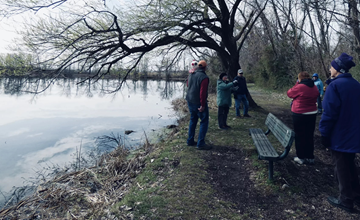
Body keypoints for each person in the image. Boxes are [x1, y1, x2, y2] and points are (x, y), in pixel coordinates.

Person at [319, 53, 360, 213]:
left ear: (337, 69)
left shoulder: (335, 86)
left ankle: (346, 201)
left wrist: (324, 134)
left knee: (341, 167)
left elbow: (329, 113)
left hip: (340, 135)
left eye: (332, 66)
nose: (330, 69)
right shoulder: (356, 85)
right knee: (350, 165)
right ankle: (356, 195)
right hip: (354, 135)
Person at [287, 71, 319, 165]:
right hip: (312, 113)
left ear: (300, 78)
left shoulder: (300, 87)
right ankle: (310, 156)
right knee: (309, 135)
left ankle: (301, 157)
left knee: (300, 135)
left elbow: (289, 93)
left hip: (300, 113)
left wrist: (297, 83)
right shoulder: (314, 87)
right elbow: (316, 95)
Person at [185, 60, 211, 150]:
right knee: (204, 121)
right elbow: (202, 93)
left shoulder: (191, 74)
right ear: (205, 67)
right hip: (198, 103)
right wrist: (203, 105)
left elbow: (188, 85)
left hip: (189, 100)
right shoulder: (204, 77)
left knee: (193, 120)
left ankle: (190, 141)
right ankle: (200, 143)